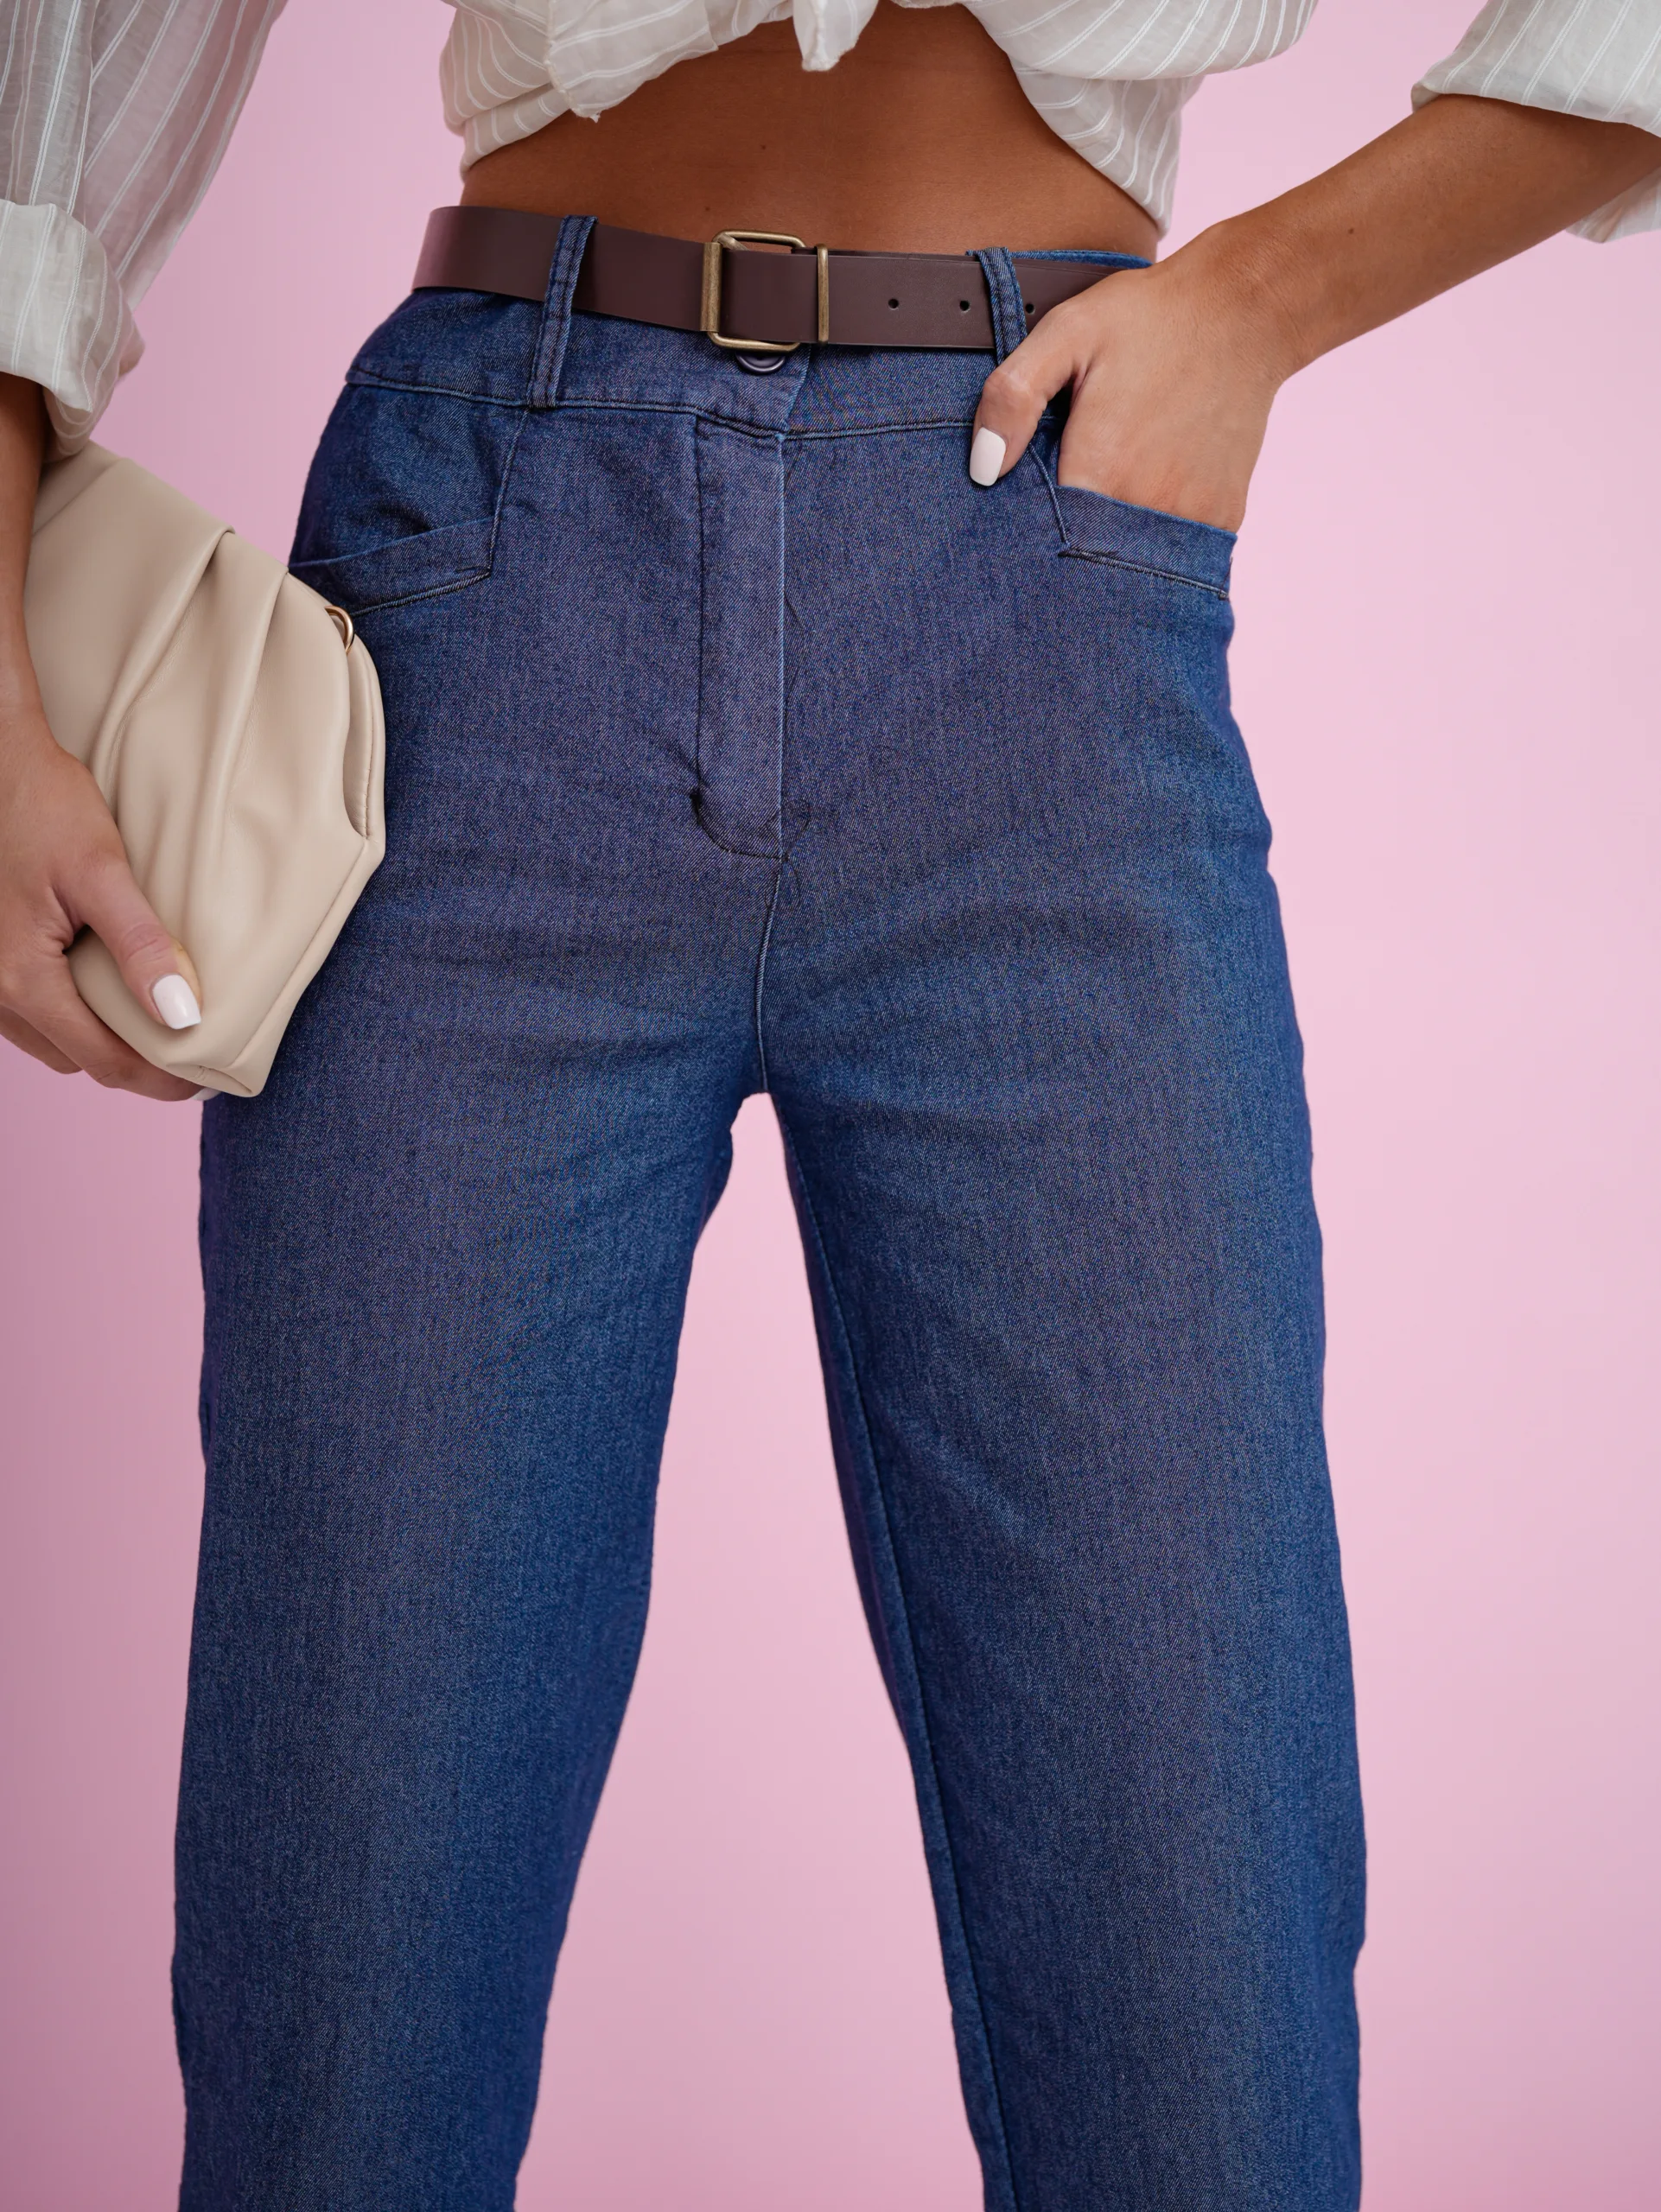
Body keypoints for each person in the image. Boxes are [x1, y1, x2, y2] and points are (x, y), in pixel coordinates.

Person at [1, 3, 1658, 2206]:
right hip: (490, 585)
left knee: (1204, 2004)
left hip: (1043, 586)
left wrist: (1260, 303)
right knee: (343, 2000)